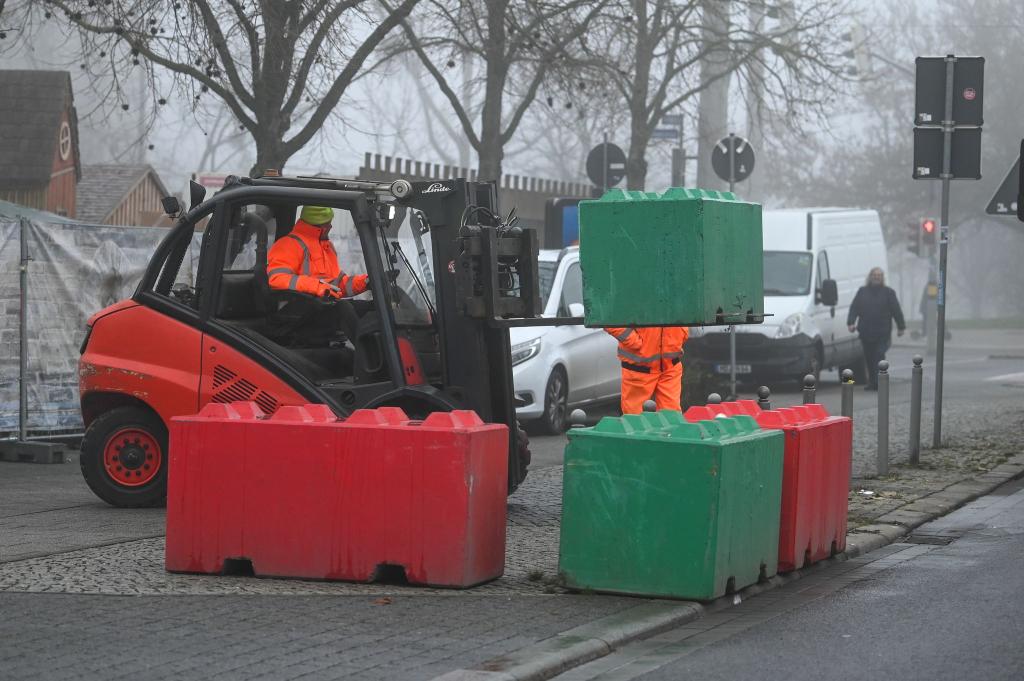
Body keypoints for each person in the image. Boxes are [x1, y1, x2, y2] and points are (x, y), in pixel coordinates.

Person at [265, 206, 370, 348]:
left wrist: (367, 282)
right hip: (294, 316)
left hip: (323, 308)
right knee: (343, 308)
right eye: (328, 223)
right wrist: (317, 287)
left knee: (372, 308)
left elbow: (339, 285)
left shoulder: (327, 247)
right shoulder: (288, 244)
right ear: (319, 226)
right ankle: (369, 357)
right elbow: (277, 279)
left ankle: (390, 355)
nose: (331, 226)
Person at [605, 326, 689, 413]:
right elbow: (606, 316)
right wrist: (633, 341)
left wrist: (681, 333)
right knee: (635, 419)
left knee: (672, 417)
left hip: (670, 367)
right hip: (639, 369)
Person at [847, 267, 905, 390]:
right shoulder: (862, 292)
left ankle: (880, 381)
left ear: (882, 277)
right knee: (869, 357)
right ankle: (872, 382)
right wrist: (851, 322)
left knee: (879, 355)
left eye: (879, 275)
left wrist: (901, 327)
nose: (877, 277)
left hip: (882, 331)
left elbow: (896, 311)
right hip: (866, 331)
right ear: (870, 277)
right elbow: (854, 308)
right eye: (874, 275)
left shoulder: (889, 292)